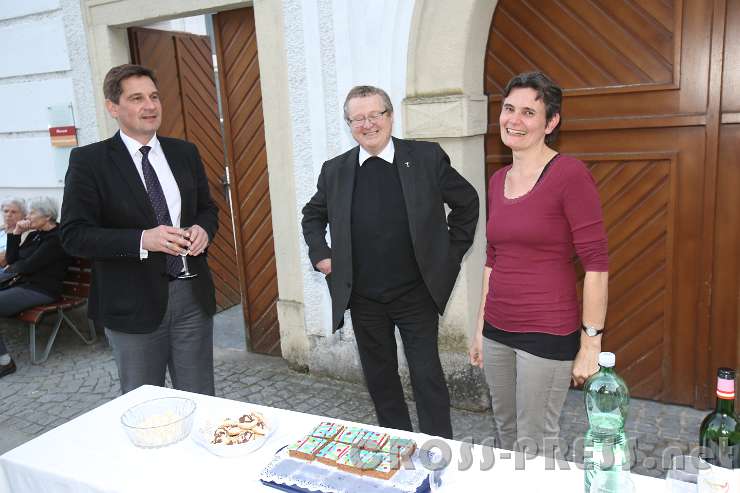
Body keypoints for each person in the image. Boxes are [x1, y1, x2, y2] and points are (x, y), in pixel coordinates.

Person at [302, 85, 479, 438]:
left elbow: (467, 203)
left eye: (374, 115)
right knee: (380, 379)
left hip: (416, 295)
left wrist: (449, 255)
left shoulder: (425, 158)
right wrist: (322, 255)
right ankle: (397, 445)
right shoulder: (335, 170)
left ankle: (436, 448)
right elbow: (312, 215)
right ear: (349, 124)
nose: (367, 124)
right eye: (358, 119)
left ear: (390, 116)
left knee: (426, 376)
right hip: (364, 298)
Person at [469, 72, 609, 454]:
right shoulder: (498, 180)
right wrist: (481, 326)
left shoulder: (570, 175)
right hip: (498, 329)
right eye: (509, 108)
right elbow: (492, 258)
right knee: (505, 433)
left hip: (546, 333)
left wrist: (590, 345)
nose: (514, 120)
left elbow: (596, 264)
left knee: (535, 439)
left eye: (529, 112)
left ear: (551, 123)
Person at [60, 64, 219, 395]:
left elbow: (207, 209)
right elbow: (74, 235)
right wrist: (142, 239)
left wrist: (203, 229)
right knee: (146, 406)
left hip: (192, 297)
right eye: (137, 98)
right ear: (113, 108)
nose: (150, 106)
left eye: (154, 96)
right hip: (131, 305)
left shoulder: (184, 152)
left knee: (202, 400)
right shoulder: (89, 162)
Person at [0, 197, 71, 377]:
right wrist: (15, 233)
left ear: (47, 216)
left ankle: (5, 363)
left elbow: (28, 266)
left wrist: (12, 268)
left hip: (41, 290)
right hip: (23, 285)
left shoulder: (57, 238)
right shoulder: (34, 234)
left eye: (32, 213)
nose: (28, 217)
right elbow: (14, 259)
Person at [0, 198, 27, 267]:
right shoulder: (1, 229)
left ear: (24, 215)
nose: (8, 215)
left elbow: (4, 260)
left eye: (14, 212)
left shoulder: (26, 234)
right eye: (6, 211)